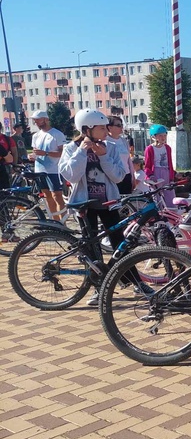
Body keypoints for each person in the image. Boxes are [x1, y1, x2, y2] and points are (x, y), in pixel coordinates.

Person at [58, 109, 147, 305]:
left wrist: (104, 156)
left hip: (108, 202)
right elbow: (70, 176)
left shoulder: (111, 147)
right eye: (101, 128)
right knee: (91, 247)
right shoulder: (71, 148)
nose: (106, 131)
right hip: (84, 204)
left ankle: (135, 282)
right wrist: (82, 152)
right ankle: (99, 287)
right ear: (87, 129)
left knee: (120, 243)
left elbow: (117, 176)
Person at [30, 110, 67, 222]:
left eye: (38, 119)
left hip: (53, 170)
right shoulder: (36, 136)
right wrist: (32, 156)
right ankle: (54, 222)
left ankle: (63, 222)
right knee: (47, 197)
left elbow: (63, 153)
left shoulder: (57, 134)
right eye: (34, 120)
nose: (36, 122)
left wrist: (45, 153)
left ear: (45, 119)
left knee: (57, 196)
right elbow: (35, 152)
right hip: (40, 169)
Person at [144, 125, 176, 207]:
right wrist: (150, 176)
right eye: (160, 135)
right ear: (153, 137)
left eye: (164, 135)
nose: (163, 137)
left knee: (170, 194)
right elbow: (147, 165)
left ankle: (172, 213)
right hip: (156, 173)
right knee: (157, 196)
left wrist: (172, 177)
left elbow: (170, 163)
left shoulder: (167, 148)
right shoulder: (150, 149)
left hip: (166, 172)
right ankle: (159, 214)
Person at [106, 116, 134, 194]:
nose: (121, 127)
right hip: (114, 176)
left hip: (126, 175)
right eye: (118, 125)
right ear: (109, 127)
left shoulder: (124, 141)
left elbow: (129, 160)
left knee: (127, 203)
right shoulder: (105, 141)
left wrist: (132, 177)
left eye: (121, 125)